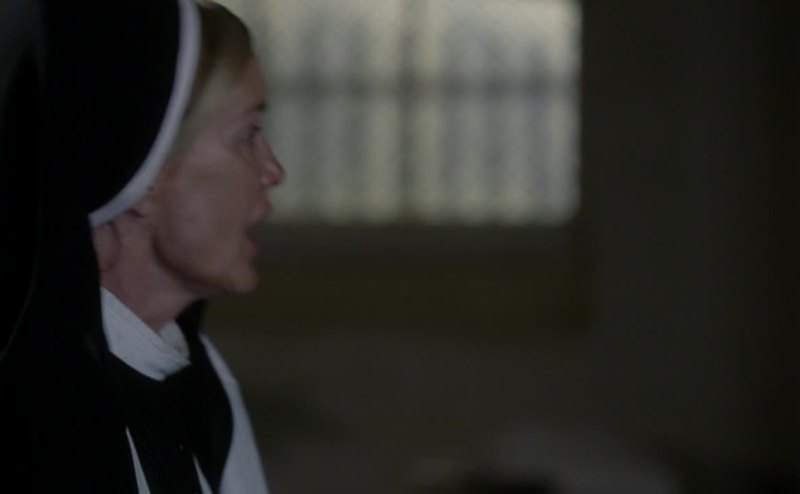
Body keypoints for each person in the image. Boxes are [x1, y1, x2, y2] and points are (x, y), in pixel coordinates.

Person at [0, 0, 283, 492]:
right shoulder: (35, 429)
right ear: (147, 170)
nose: (273, 171)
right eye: (247, 135)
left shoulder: (203, 388)